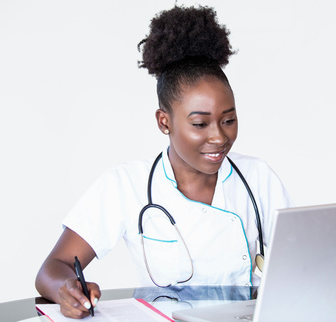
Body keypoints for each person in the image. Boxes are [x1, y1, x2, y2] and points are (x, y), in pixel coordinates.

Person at [35, 5, 293, 319]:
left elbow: (296, 268)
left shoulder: (258, 178)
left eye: (228, 120)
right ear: (164, 121)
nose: (219, 137)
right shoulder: (126, 184)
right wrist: (68, 288)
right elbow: (52, 268)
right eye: (200, 124)